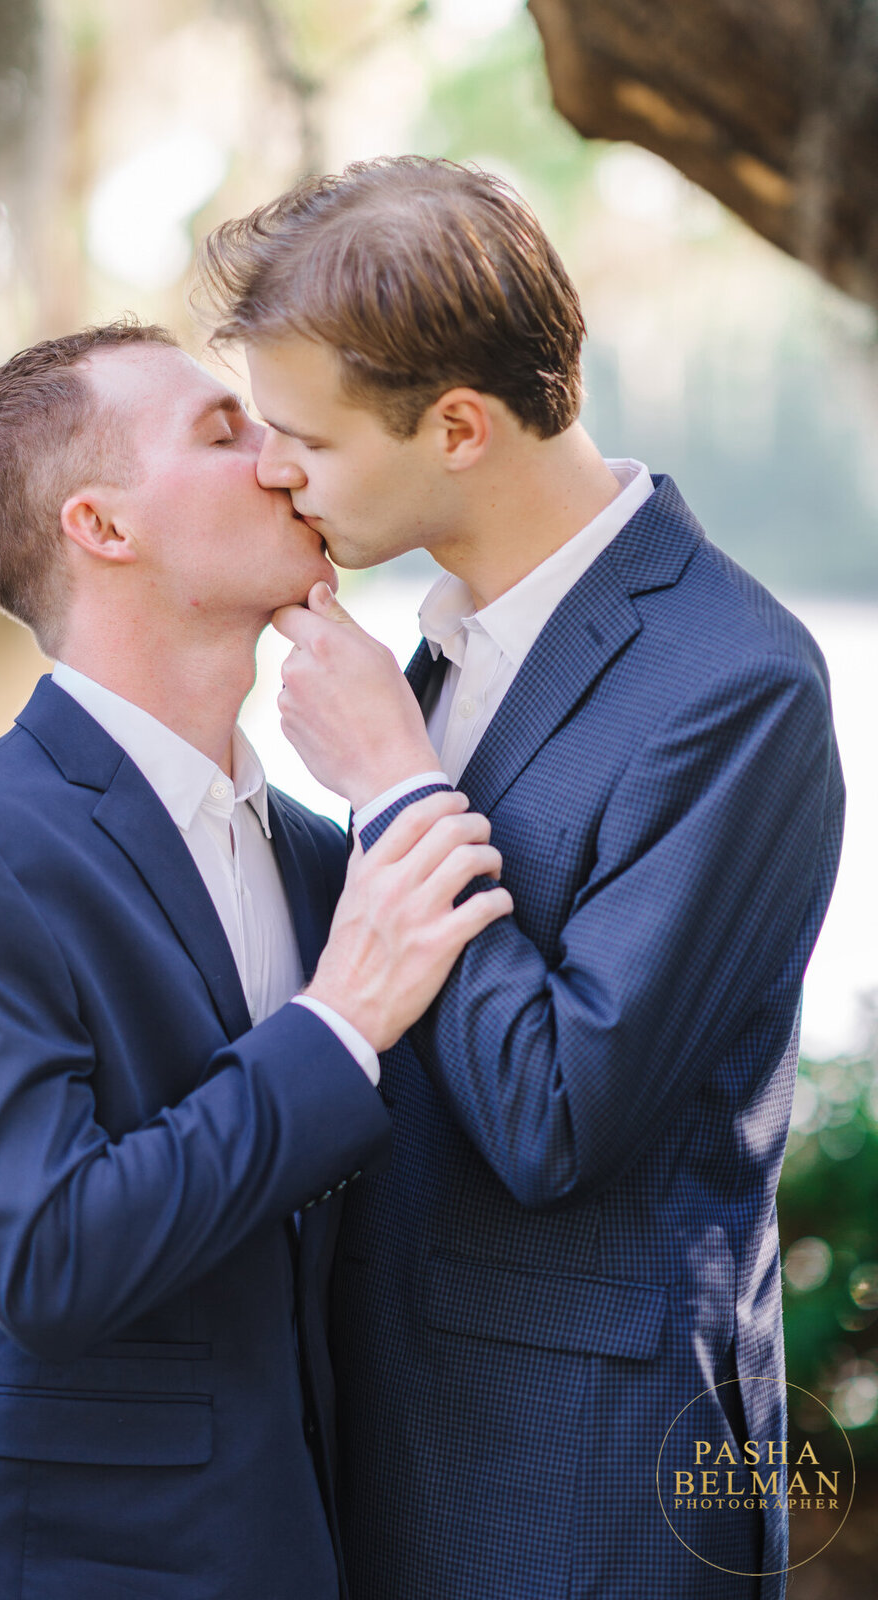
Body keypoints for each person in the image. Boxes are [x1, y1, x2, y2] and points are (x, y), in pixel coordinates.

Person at [199, 157, 846, 1600]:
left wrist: (393, 785)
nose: (271, 470)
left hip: (580, 1479)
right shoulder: (454, 644)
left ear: (458, 426)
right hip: (380, 1438)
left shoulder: (734, 685)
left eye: (304, 437)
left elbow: (557, 1114)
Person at [0, 320, 512, 1600]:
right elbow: (46, 1255)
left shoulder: (335, 865)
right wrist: (336, 1025)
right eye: (226, 432)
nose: (285, 459)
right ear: (102, 527)